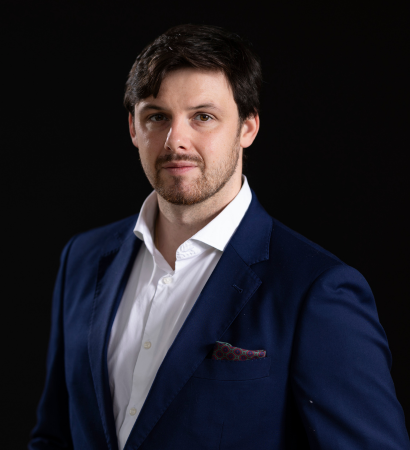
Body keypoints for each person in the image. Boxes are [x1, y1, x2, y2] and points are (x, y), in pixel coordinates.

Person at [29, 24, 409, 450]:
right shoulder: (82, 259)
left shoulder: (317, 292)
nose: (176, 140)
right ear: (134, 128)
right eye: (157, 116)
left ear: (248, 127)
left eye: (203, 117)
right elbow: (54, 436)